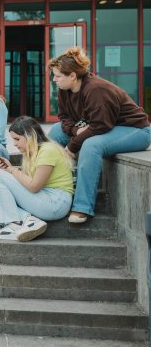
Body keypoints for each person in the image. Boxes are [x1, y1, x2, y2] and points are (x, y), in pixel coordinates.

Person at [46, 47, 151, 223]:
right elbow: (64, 118)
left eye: (57, 76)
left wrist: (73, 145)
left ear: (72, 76)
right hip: (104, 126)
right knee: (56, 130)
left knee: (91, 145)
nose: (54, 79)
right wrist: (74, 131)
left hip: (136, 131)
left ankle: (82, 207)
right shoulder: (64, 89)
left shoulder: (96, 89)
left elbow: (101, 126)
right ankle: (42, 182)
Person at [0, 116, 74, 241]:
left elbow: (34, 187)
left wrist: (12, 171)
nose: (15, 144)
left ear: (30, 135)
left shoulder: (48, 150)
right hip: (43, 198)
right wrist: (10, 169)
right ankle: (29, 220)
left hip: (56, 203)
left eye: (17, 139)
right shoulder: (32, 153)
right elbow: (27, 186)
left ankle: (15, 225)